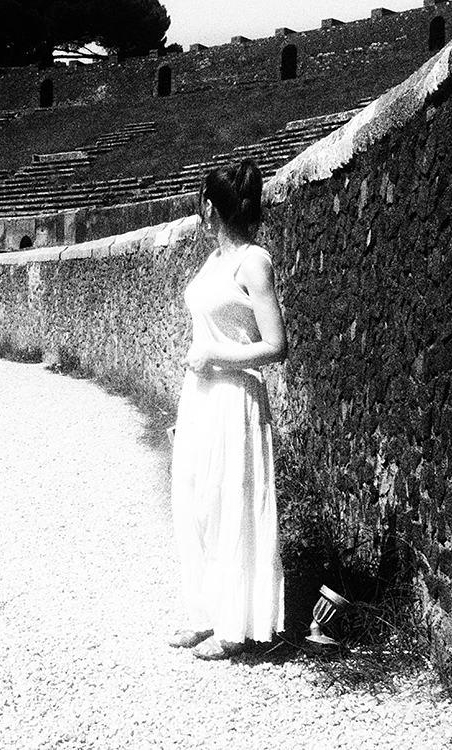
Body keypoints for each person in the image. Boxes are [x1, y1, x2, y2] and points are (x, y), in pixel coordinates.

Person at [168, 160, 287, 660]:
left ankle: (235, 627)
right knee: (194, 501)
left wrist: (217, 355)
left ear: (210, 208)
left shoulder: (253, 262)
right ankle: (205, 614)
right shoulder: (214, 262)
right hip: (200, 396)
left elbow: (276, 345)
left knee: (230, 503)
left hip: (236, 396)